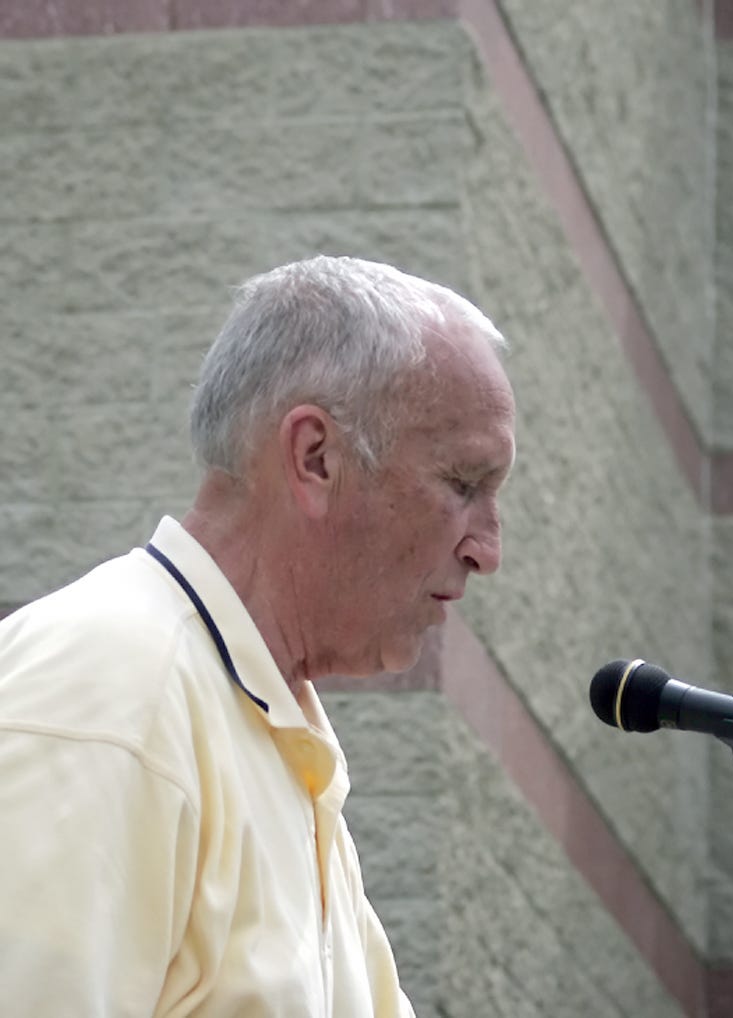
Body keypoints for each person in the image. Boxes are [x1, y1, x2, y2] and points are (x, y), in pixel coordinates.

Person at [0, 255, 516, 1015]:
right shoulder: (115, 691)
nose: (488, 550)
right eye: (465, 486)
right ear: (316, 458)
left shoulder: (270, 737)